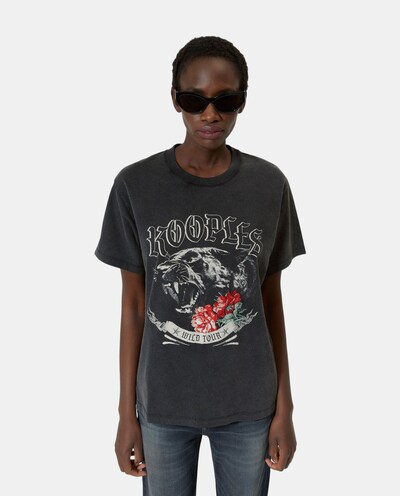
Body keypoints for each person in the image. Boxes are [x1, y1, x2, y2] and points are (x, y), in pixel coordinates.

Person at [95, 35, 306, 496]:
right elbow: (133, 305)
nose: (210, 115)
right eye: (195, 100)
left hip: (250, 404)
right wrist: (126, 414)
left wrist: (285, 409)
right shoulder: (135, 185)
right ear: (175, 100)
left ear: (242, 101)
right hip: (162, 406)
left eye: (225, 101)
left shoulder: (268, 184)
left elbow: (271, 302)